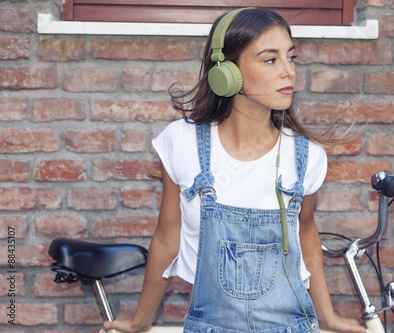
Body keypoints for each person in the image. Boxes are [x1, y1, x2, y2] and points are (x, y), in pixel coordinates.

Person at [103, 7, 366, 333]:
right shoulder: (182, 143)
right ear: (227, 72)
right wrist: (140, 321)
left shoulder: (306, 156)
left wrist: (328, 317)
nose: (289, 71)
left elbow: (306, 236)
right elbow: (167, 239)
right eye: (270, 60)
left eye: (291, 57)